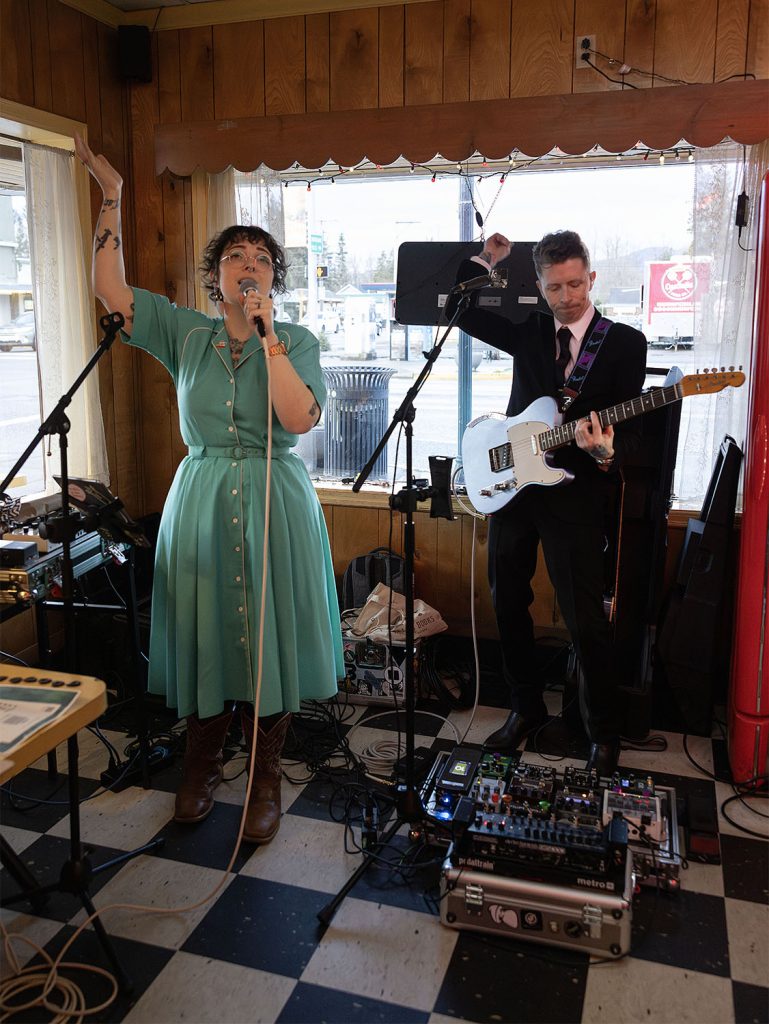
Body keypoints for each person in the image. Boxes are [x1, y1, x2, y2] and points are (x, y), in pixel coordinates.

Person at [75, 137, 344, 841]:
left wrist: (268, 341)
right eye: (234, 259)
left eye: (260, 260)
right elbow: (109, 288)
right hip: (198, 496)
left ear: (273, 281)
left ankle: (262, 777)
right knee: (206, 634)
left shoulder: (296, 339)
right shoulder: (183, 334)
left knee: (269, 639)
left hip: (274, 498)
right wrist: (112, 196)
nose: (247, 268)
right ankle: (199, 765)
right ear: (213, 278)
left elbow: (298, 418)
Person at [453, 230, 647, 776]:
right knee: (507, 600)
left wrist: (607, 453)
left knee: (585, 619)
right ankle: (525, 708)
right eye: (556, 286)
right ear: (539, 286)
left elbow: (635, 433)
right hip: (516, 489)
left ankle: (601, 732)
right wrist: (485, 262)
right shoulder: (531, 331)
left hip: (578, 494)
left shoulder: (625, 343)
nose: (568, 297)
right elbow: (459, 309)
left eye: (577, 284)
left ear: (592, 278)